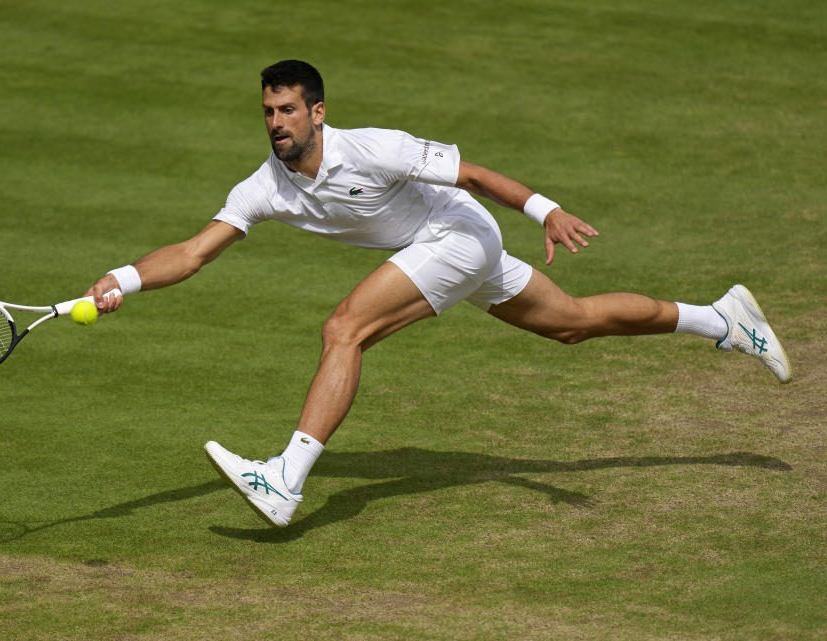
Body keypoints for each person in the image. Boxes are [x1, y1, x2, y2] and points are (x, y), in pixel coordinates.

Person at [85, 60, 792, 528]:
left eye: (289, 110)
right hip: (449, 250)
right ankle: (724, 319)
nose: (276, 123)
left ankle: (286, 478)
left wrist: (544, 209)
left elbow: (474, 175)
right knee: (572, 323)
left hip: (459, 234)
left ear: (318, 112)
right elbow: (193, 251)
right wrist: (123, 277)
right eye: (268, 111)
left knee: (345, 329)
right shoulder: (262, 187)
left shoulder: (373, 147)